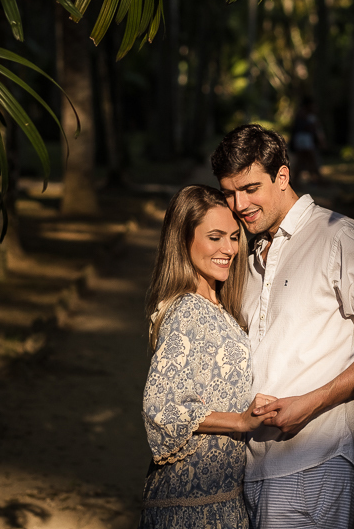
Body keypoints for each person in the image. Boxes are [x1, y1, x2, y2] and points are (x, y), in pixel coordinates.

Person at [211, 125, 354, 529]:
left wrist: (311, 403)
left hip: (317, 462)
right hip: (254, 468)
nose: (239, 204)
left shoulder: (340, 237)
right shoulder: (249, 255)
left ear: (282, 176)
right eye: (230, 193)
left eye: (251, 189)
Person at [140, 185, 278, 528]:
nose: (229, 249)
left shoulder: (221, 309)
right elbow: (161, 407)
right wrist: (241, 422)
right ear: (183, 240)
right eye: (215, 237)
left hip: (223, 498)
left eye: (233, 237)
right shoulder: (186, 310)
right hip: (189, 505)